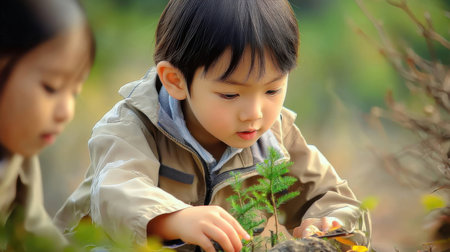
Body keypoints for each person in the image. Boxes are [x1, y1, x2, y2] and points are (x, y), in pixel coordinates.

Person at [54, 0, 371, 251]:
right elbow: (116, 193)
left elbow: (336, 197)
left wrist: (329, 224)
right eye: (230, 94)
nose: (254, 114)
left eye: (272, 89)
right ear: (176, 80)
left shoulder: (276, 136)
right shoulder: (132, 125)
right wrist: (174, 219)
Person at [0, 0, 95, 250]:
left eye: (74, 93)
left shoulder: (18, 155)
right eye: (51, 87)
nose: (67, 112)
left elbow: (35, 231)